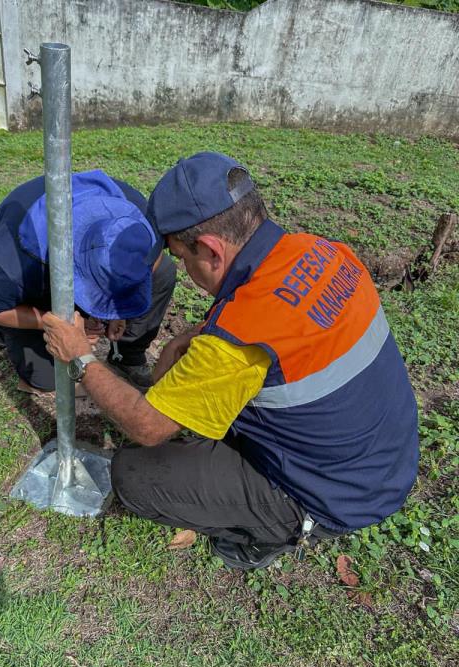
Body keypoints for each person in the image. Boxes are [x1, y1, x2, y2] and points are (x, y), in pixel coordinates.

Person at [41, 152, 419, 570]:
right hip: (387, 459)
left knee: (135, 474)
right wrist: (176, 349)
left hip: (336, 494)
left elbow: (146, 427)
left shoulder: (238, 337)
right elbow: (276, 323)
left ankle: (275, 531)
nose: (183, 269)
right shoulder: (324, 252)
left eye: (183, 258)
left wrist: (79, 355)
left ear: (210, 250)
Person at [0, 170, 177, 392]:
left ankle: (128, 356)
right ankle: (6, 328)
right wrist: (61, 323)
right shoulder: (20, 260)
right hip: (31, 271)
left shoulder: (136, 220)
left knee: (164, 273)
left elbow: (154, 260)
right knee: (48, 379)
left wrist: (120, 310)